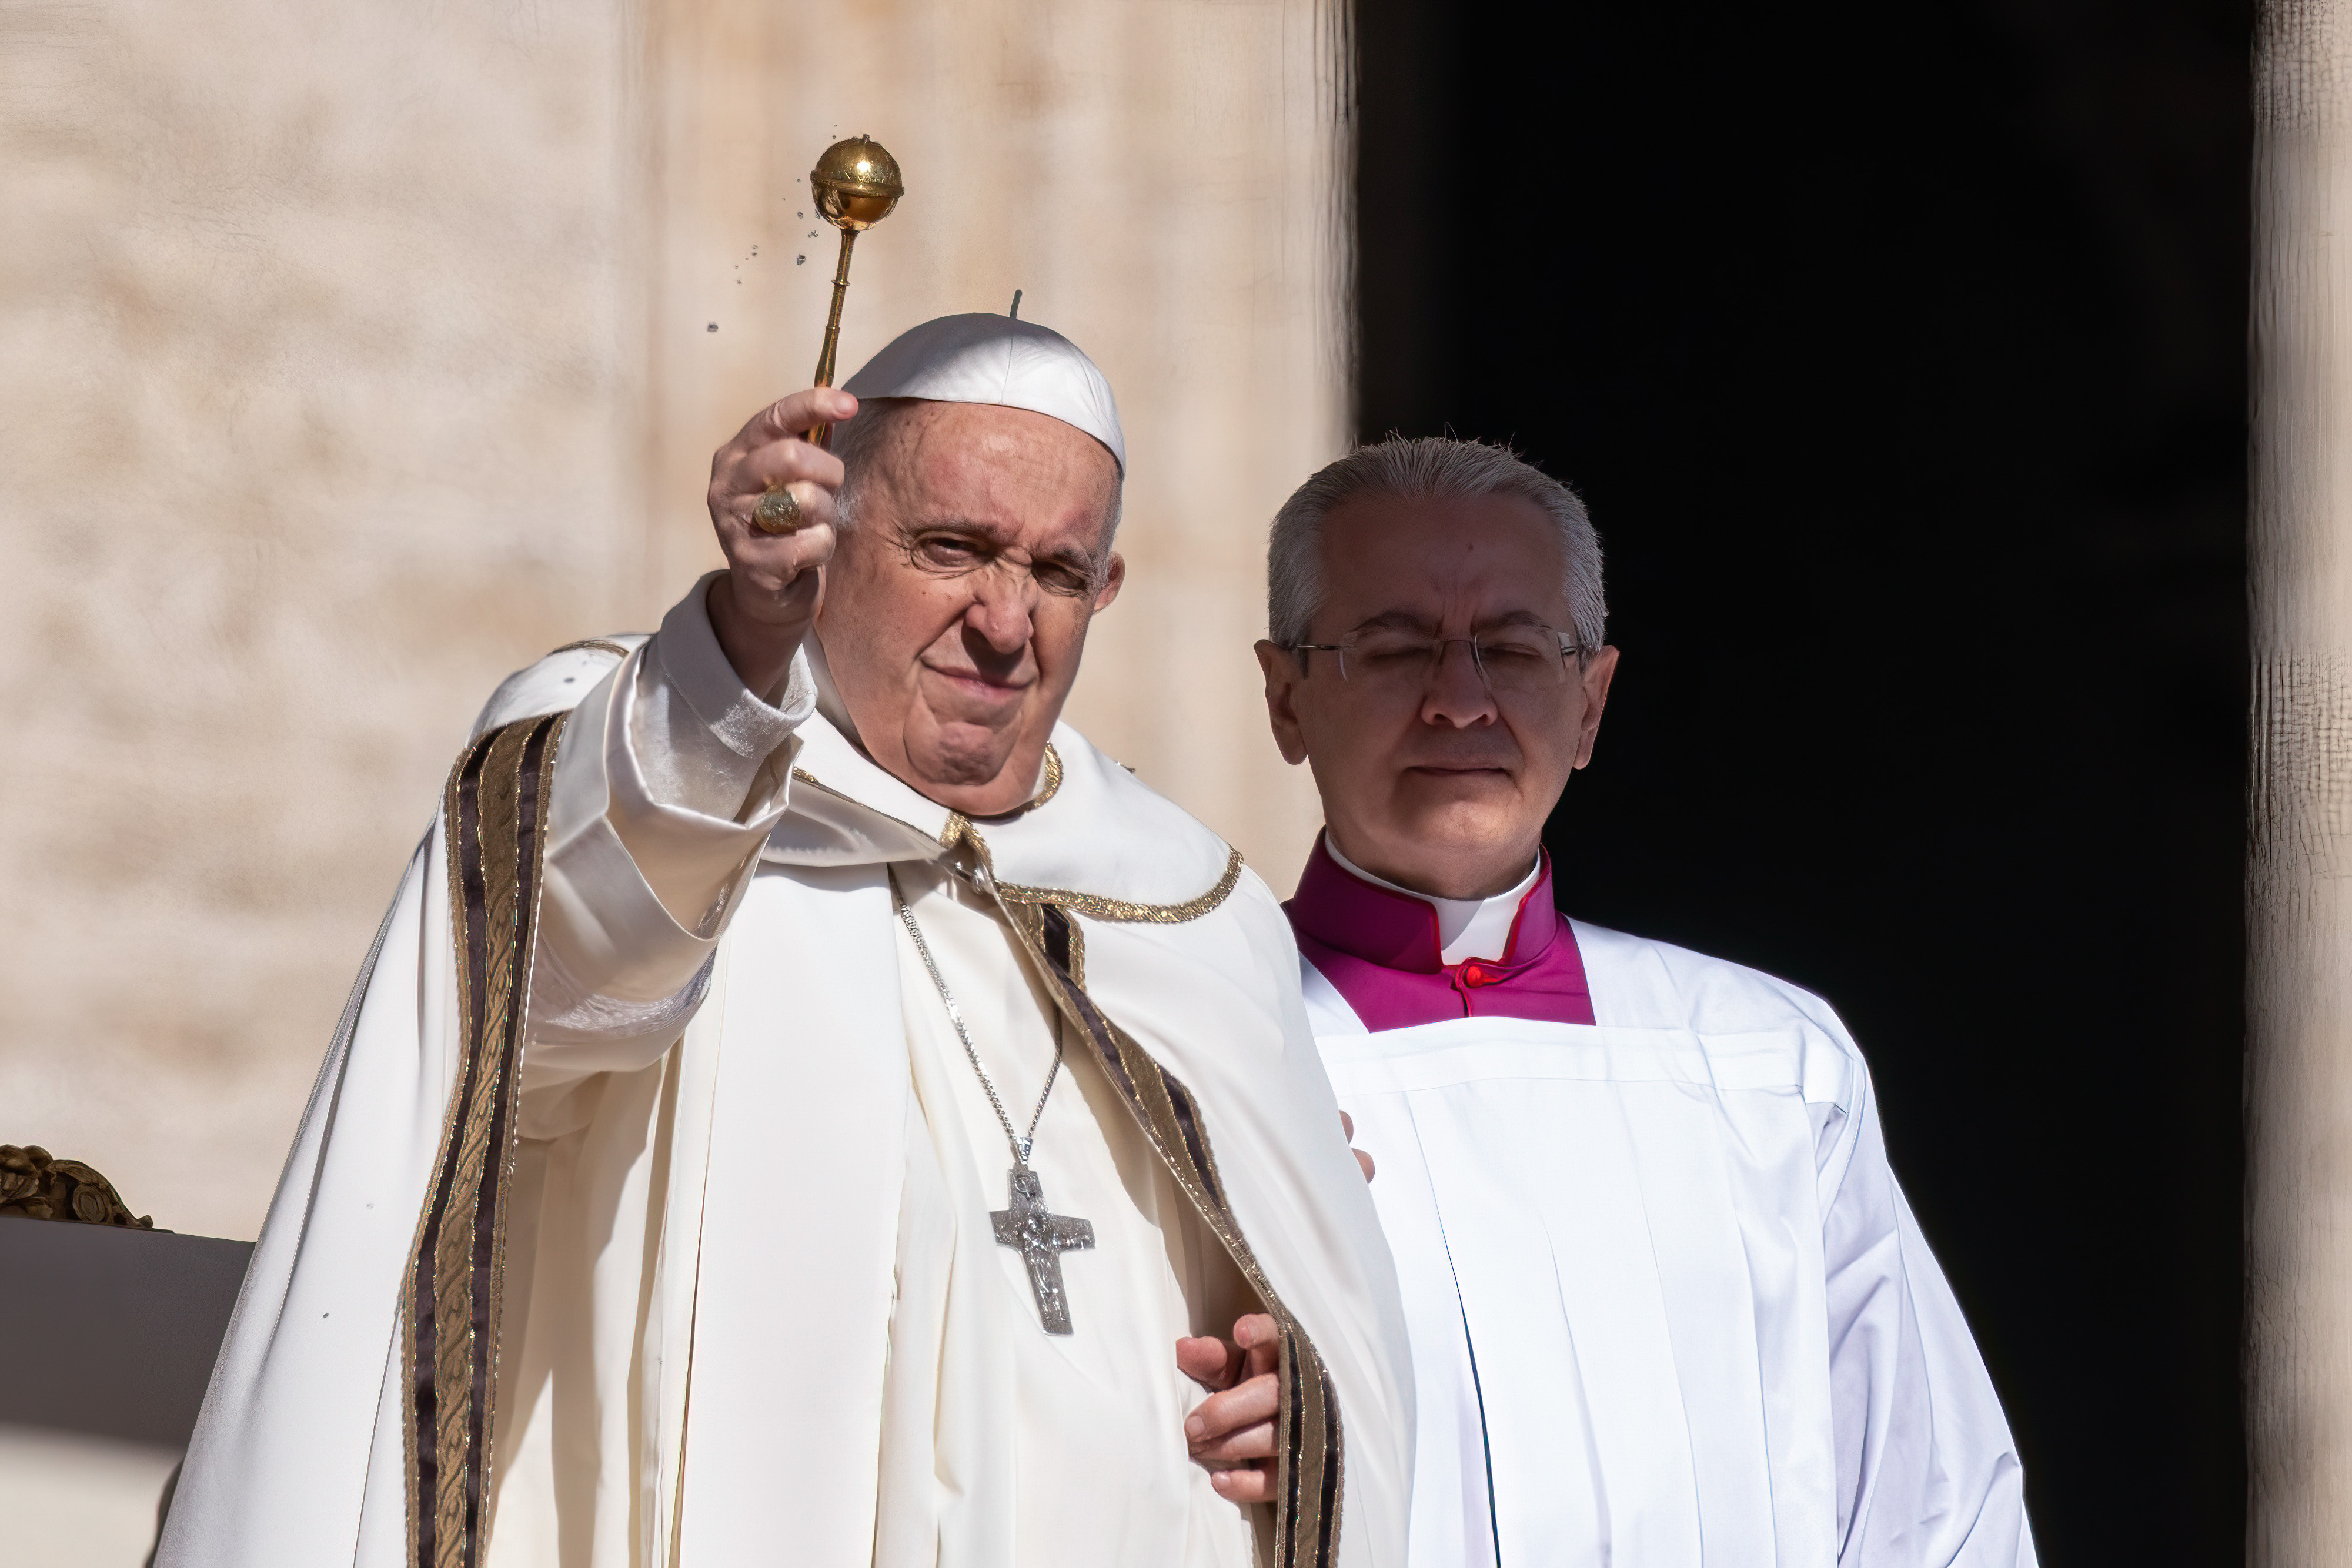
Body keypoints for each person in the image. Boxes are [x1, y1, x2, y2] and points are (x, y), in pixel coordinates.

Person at [159, 315, 1412, 1568]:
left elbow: (1325, 1319)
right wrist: (738, 655)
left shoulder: (1192, 906)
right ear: (825, 536)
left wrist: (1305, 1413)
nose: (1004, 619)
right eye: (951, 548)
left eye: (1058, 570)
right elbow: (567, 978)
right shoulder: (646, 759)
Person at [1182, 437, 2034, 1566]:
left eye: (1511, 649)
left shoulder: (1765, 1069)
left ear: (1590, 704)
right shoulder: (1186, 1055)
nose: (1458, 701)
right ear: (1286, 698)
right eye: (1393, 651)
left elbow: (1934, 1513)